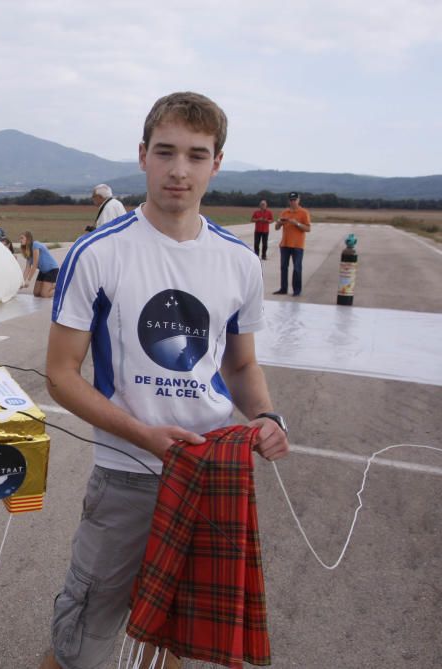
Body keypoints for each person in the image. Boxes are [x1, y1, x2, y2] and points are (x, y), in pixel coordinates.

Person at [39, 92, 290, 669]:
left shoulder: (239, 262)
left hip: (207, 473)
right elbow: (60, 376)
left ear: (216, 163)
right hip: (128, 477)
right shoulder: (99, 253)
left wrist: (267, 416)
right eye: (166, 152)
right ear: (143, 156)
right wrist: (141, 435)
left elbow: (241, 365)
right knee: (83, 639)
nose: (180, 170)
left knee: (174, 633)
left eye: (196, 156)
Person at [273, 192, 312, 296]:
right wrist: (279, 223)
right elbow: (276, 228)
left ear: (299, 200)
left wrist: (297, 223)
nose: (293, 202)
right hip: (285, 244)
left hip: (297, 245)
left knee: (297, 268)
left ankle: (297, 290)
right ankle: (283, 288)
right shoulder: (285, 212)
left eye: (295, 200)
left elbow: (308, 229)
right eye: (291, 200)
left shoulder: (303, 213)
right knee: (283, 267)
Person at [20, 230, 59, 298]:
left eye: (22, 238)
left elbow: (35, 265)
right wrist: (22, 281)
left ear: (28, 238)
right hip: (43, 271)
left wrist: (28, 280)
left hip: (52, 270)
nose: (20, 240)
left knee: (44, 294)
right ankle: (51, 285)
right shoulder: (27, 250)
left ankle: (60, 288)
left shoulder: (35, 245)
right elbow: (27, 268)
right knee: (36, 293)